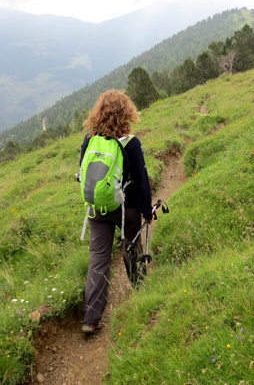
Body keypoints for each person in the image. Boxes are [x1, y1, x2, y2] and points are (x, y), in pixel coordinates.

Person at [78, 90, 154, 335]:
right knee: (131, 249)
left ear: (97, 113)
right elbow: (142, 182)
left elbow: (83, 174)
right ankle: (141, 295)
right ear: (127, 112)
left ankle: (91, 318)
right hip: (127, 209)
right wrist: (147, 212)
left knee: (98, 260)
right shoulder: (131, 142)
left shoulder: (90, 140)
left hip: (96, 210)